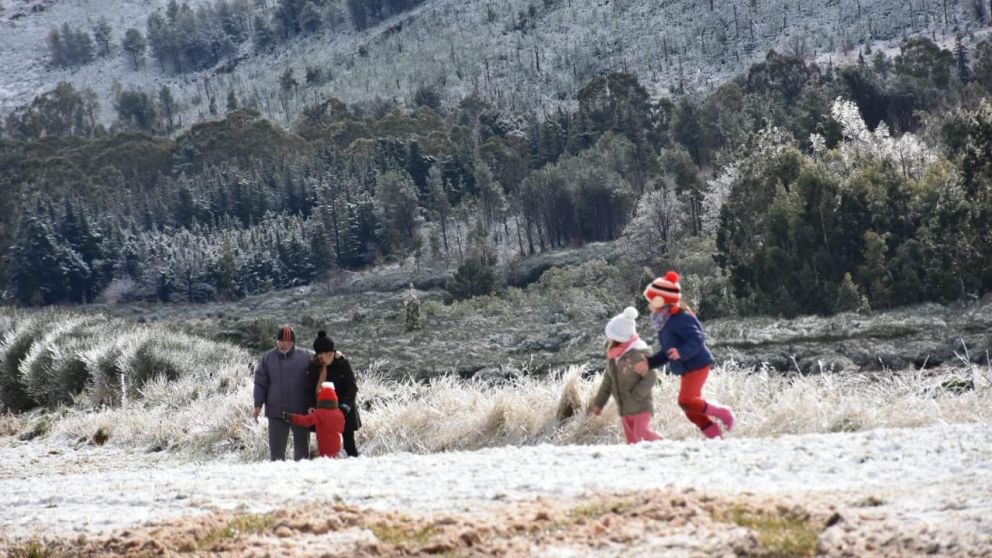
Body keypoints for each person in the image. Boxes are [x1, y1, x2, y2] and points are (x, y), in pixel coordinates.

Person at [643, 271, 735, 439]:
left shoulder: (680, 317)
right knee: (690, 410)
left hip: (697, 364)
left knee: (686, 400)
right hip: (686, 367)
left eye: (651, 299)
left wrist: (681, 352)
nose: (649, 304)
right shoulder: (664, 321)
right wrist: (649, 363)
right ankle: (715, 437)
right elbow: (667, 352)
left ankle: (724, 412)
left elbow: (697, 338)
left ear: (660, 300)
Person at [589, 306, 664, 444]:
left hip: (641, 406)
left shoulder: (637, 355)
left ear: (620, 339)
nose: (608, 342)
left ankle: (666, 445)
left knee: (641, 434)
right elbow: (607, 383)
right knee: (632, 442)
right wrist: (599, 404)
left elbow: (650, 377)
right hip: (625, 409)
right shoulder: (613, 359)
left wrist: (635, 396)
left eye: (611, 339)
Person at [253, 324, 314, 460]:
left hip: (300, 411)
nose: (283, 344)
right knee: (276, 456)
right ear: (276, 341)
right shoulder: (268, 358)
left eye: (287, 342)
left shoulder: (306, 356)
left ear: (293, 342)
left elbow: (323, 361)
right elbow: (260, 383)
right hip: (276, 411)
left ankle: (302, 479)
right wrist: (258, 405)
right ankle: (276, 480)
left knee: (303, 455)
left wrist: (336, 355)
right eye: (280, 341)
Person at [307, 331, 362, 457]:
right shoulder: (315, 365)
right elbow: (309, 389)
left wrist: (344, 408)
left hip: (344, 411)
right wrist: (310, 406)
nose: (319, 357)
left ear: (330, 353)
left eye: (322, 355)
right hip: (322, 412)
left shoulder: (342, 364)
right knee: (324, 447)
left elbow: (352, 387)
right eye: (318, 354)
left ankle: (356, 470)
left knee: (349, 446)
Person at [285, 382, 345, 458]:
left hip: (324, 446)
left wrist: (291, 417)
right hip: (337, 446)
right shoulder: (339, 413)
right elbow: (342, 428)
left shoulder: (319, 413)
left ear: (320, 400)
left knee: (324, 464)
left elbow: (305, 421)